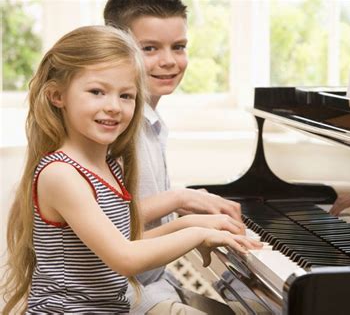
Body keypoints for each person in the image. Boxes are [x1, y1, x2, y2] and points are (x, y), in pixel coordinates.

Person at [1, 25, 260, 314]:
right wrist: (196, 236)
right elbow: (125, 257)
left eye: (126, 96)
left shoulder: (108, 165)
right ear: (56, 96)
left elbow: (126, 241)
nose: (114, 106)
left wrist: (191, 224)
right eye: (97, 92)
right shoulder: (61, 174)